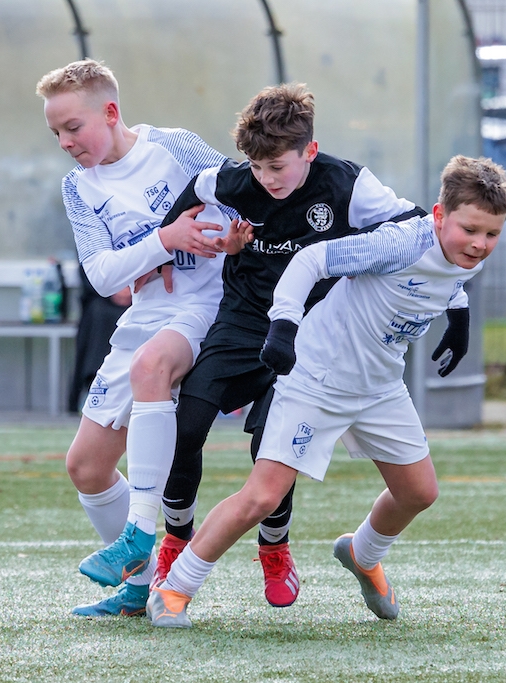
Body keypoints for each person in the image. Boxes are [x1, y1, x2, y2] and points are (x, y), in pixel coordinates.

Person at [147, 155, 506, 627]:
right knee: (262, 497)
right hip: (317, 379)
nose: (481, 244)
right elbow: (311, 259)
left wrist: (458, 313)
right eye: (471, 230)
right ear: (439, 216)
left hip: (379, 386)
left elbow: (448, 276)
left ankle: (362, 554)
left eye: (492, 234)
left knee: (419, 492)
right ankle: (174, 588)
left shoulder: (463, 250)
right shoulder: (398, 242)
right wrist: (284, 323)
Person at [139, 83, 423, 609]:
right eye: (257, 167)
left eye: (277, 167)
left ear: (309, 151)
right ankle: (175, 538)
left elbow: (414, 223)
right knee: (187, 424)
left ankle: (274, 546)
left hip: (310, 335)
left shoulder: (347, 183)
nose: (266, 179)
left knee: (269, 445)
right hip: (243, 322)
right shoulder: (236, 180)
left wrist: (380, 267)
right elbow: (196, 189)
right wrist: (165, 243)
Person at [36, 59, 244, 617]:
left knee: (151, 366)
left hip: (207, 307)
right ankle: (141, 584)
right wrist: (164, 240)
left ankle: (140, 535)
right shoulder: (78, 187)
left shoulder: (174, 146)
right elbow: (103, 276)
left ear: (110, 112)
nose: (65, 142)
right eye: (56, 133)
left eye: (73, 127)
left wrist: (227, 242)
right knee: (85, 466)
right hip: (146, 317)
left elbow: (243, 198)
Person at [67, 265, 131, 414]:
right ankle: (94, 385)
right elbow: (90, 265)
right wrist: (113, 288)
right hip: (103, 294)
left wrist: (133, 287)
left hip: (147, 292)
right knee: (97, 313)